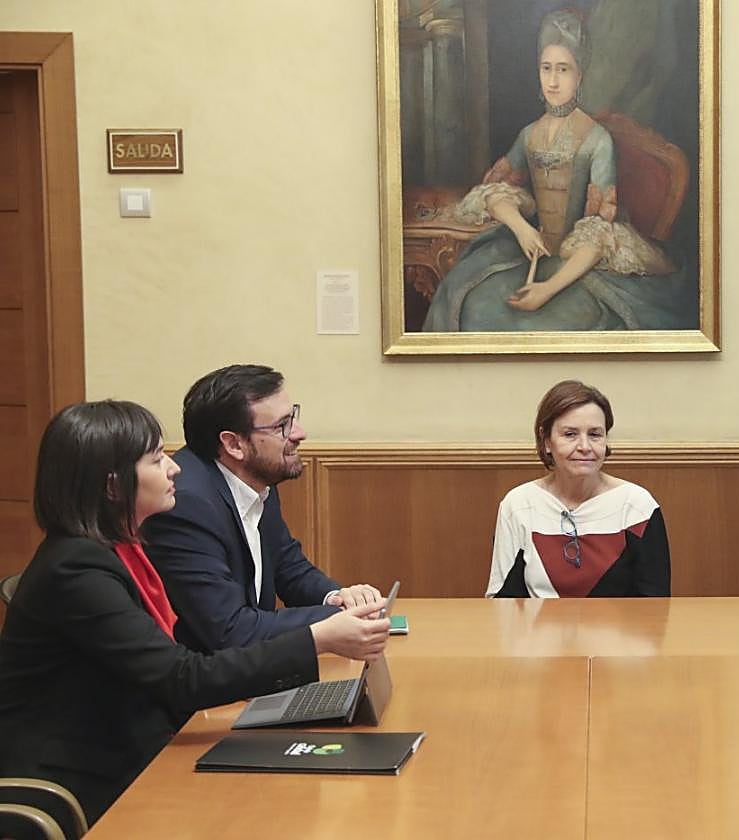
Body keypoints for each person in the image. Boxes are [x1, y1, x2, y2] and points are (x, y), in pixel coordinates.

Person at [0, 401, 390, 824]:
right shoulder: (76, 569)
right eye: (156, 459)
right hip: (84, 777)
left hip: (135, 742)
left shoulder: (119, 549)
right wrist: (317, 639)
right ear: (113, 485)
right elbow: (180, 679)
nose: (174, 469)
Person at [422, 7, 695, 332]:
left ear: (579, 76)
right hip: (532, 253)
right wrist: (522, 229)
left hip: (579, 266)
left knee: (540, 322)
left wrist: (547, 289)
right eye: (546, 68)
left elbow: (600, 232)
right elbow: (494, 193)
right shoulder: (529, 134)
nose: (552, 81)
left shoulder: (597, 139)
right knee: (471, 302)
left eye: (563, 70)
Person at [142, 364, 379, 652]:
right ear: (234, 444)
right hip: (209, 674)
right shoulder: (185, 505)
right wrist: (336, 620)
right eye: (282, 426)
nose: (299, 433)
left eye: (293, 417)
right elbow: (229, 629)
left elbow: (289, 568)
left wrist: (339, 598)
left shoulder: (254, 476)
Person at [487, 380, 670, 597]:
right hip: (536, 621)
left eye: (595, 434)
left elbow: (655, 605)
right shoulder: (518, 504)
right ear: (546, 441)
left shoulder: (637, 506)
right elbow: (501, 602)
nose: (585, 447)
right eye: (570, 434)